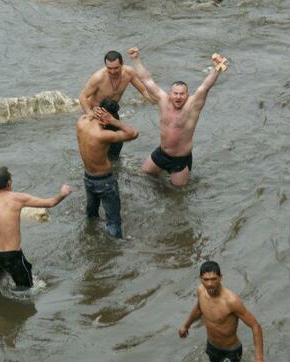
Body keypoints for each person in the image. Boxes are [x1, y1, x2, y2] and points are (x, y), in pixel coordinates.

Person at [0, 167, 71, 289]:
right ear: (9, 183)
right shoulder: (18, 198)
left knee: (1, 283)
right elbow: (50, 203)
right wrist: (63, 193)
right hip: (12, 257)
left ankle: (0, 300)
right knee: (28, 290)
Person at [128, 47, 227, 187]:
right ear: (170, 94)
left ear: (187, 95)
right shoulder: (163, 100)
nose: (178, 97)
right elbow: (146, 80)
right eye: (176, 93)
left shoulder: (192, 106)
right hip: (161, 153)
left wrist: (217, 68)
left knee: (177, 194)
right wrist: (135, 59)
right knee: (143, 176)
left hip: (180, 160)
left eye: (182, 94)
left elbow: (204, 87)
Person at [179, 261, 266, 362]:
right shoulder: (200, 291)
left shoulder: (231, 301)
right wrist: (186, 326)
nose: (210, 284)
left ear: (220, 277)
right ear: (200, 279)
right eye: (206, 279)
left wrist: (259, 359)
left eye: (213, 279)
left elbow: (255, 325)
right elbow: (199, 309)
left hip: (230, 352)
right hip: (211, 347)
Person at [75, 100, 138, 238]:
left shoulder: (81, 122)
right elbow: (133, 133)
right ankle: (115, 250)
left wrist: (93, 112)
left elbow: (86, 105)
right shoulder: (103, 135)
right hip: (105, 182)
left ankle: (90, 234)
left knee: (91, 214)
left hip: (88, 178)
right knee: (113, 222)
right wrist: (114, 122)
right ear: (107, 118)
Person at [79, 50, 154, 159]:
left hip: (112, 113)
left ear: (122, 64)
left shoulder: (129, 73)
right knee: (98, 152)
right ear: (105, 66)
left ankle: (115, 169)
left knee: (116, 148)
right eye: (109, 68)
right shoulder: (99, 77)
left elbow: (143, 90)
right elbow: (82, 96)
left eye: (116, 68)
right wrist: (90, 113)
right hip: (97, 115)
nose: (113, 71)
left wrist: (156, 101)